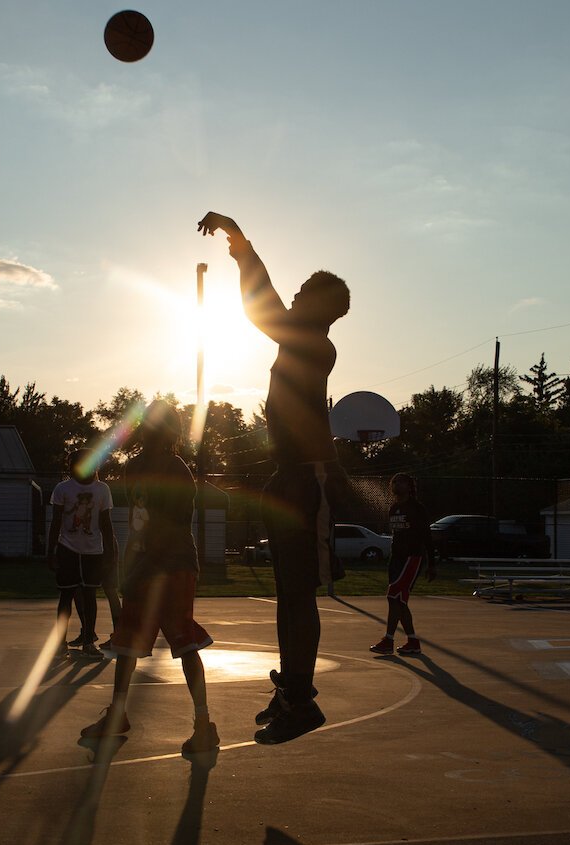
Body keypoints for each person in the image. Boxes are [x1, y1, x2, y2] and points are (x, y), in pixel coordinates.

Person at [199, 211, 351, 743]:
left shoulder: (310, 342)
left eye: (306, 290)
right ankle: (291, 689)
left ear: (325, 307)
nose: (296, 295)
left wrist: (240, 243)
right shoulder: (300, 339)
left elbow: (258, 305)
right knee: (289, 594)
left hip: (307, 481)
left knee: (298, 595)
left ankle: (302, 700)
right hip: (292, 477)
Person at [81, 400, 218, 755]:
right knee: (126, 643)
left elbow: (171, 525)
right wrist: (128, 566)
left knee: (184, 642)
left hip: (173, 564)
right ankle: (118, 715)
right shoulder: (135, 467)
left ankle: (203, 724)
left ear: (171, 430)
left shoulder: (177, 470)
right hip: (143, 565)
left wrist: (142, 563)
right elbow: (138, 522)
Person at [48, 447, 117, 658]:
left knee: (89, 596)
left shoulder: (102, 489)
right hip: (67, 548)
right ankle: (60, 644)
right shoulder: (63, 489)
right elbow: (56, 522)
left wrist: (110, 553)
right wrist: (51, 551)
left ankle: (88, 642)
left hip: (93, 551)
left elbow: (106, 524)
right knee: (66, 595)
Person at [370, 473, 436, 655]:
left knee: (393, 597)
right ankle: (413, 641)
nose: (397, 484)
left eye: (401, 481)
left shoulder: (417, 508)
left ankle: (388, 640)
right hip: (397, 559)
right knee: (399, 600)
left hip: (412, 558)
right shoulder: (393, 508)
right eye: (394, 481)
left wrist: (431, 563)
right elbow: (396, 536)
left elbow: (427, 536)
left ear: (409, 486)